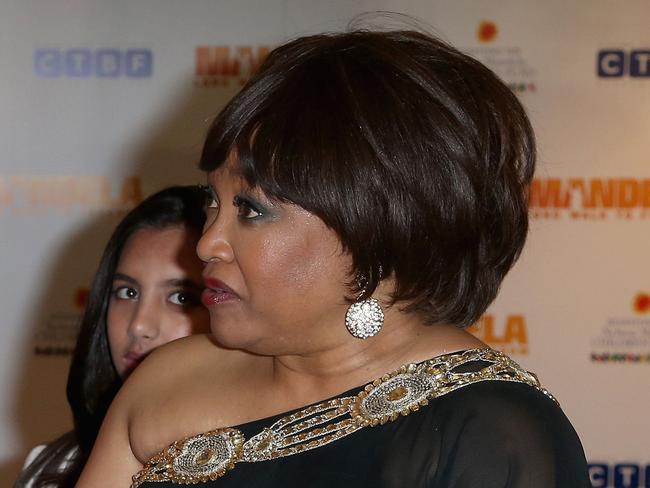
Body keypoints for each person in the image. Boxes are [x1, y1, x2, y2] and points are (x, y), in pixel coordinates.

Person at [77, 28, 590, 487]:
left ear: (378, 234)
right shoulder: (166, 381)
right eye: (213, 200)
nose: (207, 242)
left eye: (251, 211)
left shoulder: (488, 431)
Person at [15, 185, 210, 488]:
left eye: (181, 298)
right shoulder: (54, 467)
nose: (139, 325)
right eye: (127, 292)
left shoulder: (269, 464)